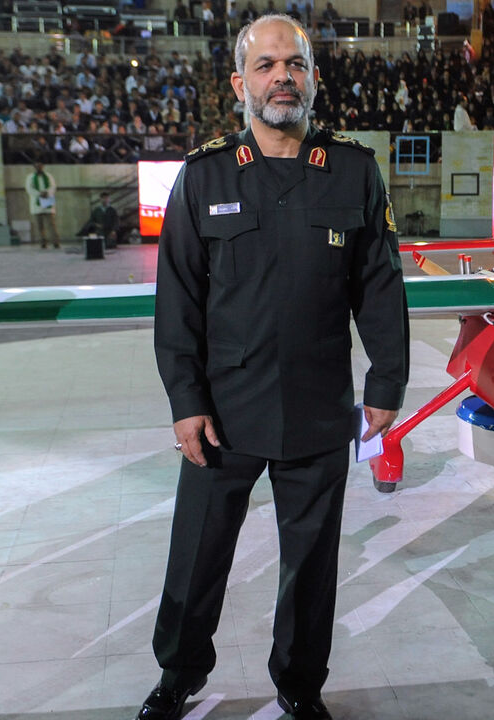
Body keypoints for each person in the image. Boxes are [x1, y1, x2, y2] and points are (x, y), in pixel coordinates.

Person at [142, 14, 409, 720]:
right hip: (222, 413)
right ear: (240, 83)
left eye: (295, 64)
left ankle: (299, 682)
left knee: (311, 565)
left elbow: (379, 284)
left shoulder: (354, 169)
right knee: (197, 557)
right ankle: (180, 672)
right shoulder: (203, 177)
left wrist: (386, 381)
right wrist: (184, 400)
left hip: (320, 407)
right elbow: (178, 302)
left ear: (315, 78)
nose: (281, 77)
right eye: (265, 66)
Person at [25, 161, 60, 248]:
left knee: (51, 224)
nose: (38, 168)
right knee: (39, 225)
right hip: (36, 202)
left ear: (43, 166)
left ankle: (55, 242)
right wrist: (39, 193)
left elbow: (53, 186)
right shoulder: (30, 177)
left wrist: (46, 192)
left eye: (40, 166)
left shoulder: (48, 176)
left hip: (47, 199)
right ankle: (43, 242)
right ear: (34, 167)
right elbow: (29, 188)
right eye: (36, 166)